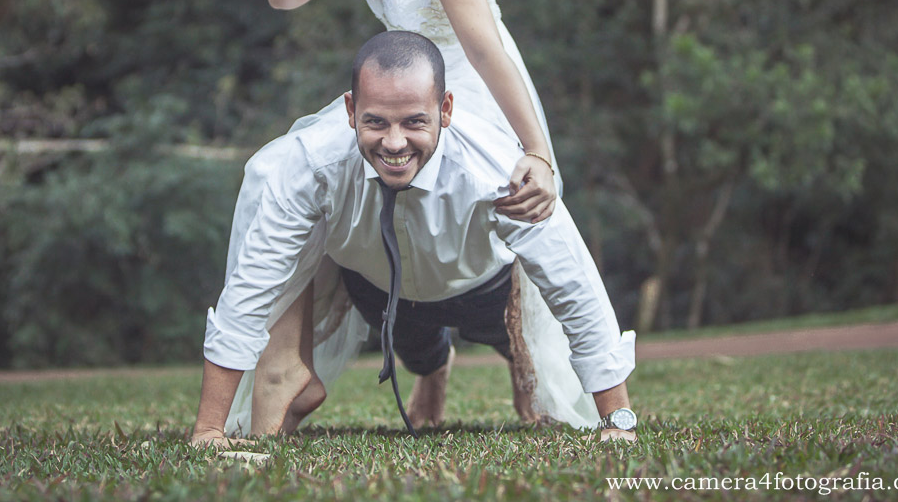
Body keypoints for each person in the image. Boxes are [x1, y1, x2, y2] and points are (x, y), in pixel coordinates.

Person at [206, 0, 617, 438]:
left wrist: (537, 152)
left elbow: (485, 47)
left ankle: (471, 356)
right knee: (287, 173)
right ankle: (306, 362)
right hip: (411, 102)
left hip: (470, 104)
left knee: (429, 217)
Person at [192, 32, 637, 445]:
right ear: (350, 110)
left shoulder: (497, 170)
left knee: (518, 352)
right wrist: (209, 429)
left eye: (414, 121)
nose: (394, 142)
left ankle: (518, 369)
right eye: (376, 122)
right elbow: (252, 287)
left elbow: (574, 284)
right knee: (419, 355)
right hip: (382, 293)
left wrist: (616, 419)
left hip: (487, 288)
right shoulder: (309, 166)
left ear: (445, 109)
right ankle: (434, 370)